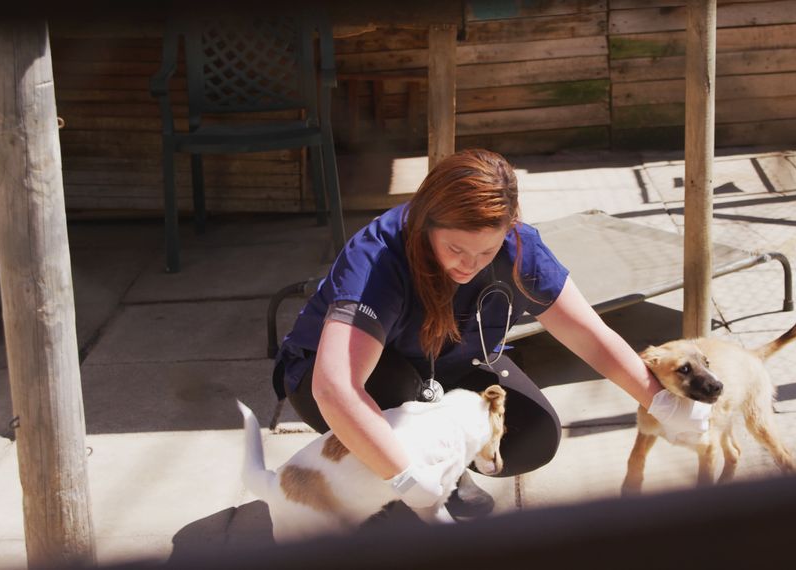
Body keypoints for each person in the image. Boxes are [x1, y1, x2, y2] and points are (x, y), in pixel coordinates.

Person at [272, 148, 711, 519]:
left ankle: (437, 467)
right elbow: (335, 387)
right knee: (399, 404)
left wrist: (661, 400)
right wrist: (406, 477)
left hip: (443, 362)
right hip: (334, 376)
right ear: (425, 223)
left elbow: (589, 335)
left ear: (510, 225)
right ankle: (390, 478)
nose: (469, 264)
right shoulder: (377, 256)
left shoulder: (521, 247)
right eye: (455, 248)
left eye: (487, 250)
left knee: (532, 434)